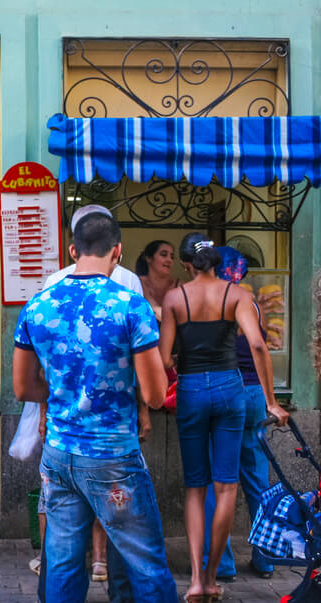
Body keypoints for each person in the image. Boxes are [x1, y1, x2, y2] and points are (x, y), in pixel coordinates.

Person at [13, 212, 176, 603]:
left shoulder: (37, 306)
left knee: (63, 564)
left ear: (72, 250)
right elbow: (155, 395)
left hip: (58, 453)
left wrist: (62, 395)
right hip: (113, 455)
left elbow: (22, 388)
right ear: (117, 252)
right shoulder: (130, 306)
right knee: (146, 565)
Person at [159, 232, 288, 603]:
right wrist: (271, 402)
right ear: (217, 262)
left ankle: (198, 579)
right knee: (227, 485)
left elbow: (166, 359)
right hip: (232, 389)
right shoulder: (239, 296)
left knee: (196, 487)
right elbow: (259, 344)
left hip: (192, 390)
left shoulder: (175, 298)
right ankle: (214, 577)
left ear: (186, 264)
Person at [201, 246, 275, 580]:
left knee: (218, 481)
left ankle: (222, 564)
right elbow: (260, 347)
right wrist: (272, 399)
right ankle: (267, 557)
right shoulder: (251, 304)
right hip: (254, 394)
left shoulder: (207, 302)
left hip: (222, 392)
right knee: (257, 479)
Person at [136, 240, 179, 320]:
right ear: (149, 258)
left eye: (172, 257)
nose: (169, 260)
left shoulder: (179, 286)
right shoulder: (138, 283)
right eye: (164, 255)